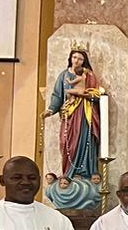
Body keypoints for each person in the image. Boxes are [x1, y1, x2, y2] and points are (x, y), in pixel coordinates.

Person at [44, 46, 103, 181]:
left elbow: (97, 93)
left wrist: (87, 95)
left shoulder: (89, 75)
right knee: (68, 142)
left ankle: (86, 173)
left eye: (80, 58)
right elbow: (58, 95)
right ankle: (69, 172)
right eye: (75, 57)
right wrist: (51, 109)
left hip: (85, 113)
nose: (77, 61)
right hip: (69, 114)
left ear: (84, 61)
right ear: (70, 58)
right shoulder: (64, 75)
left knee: (85, 140)